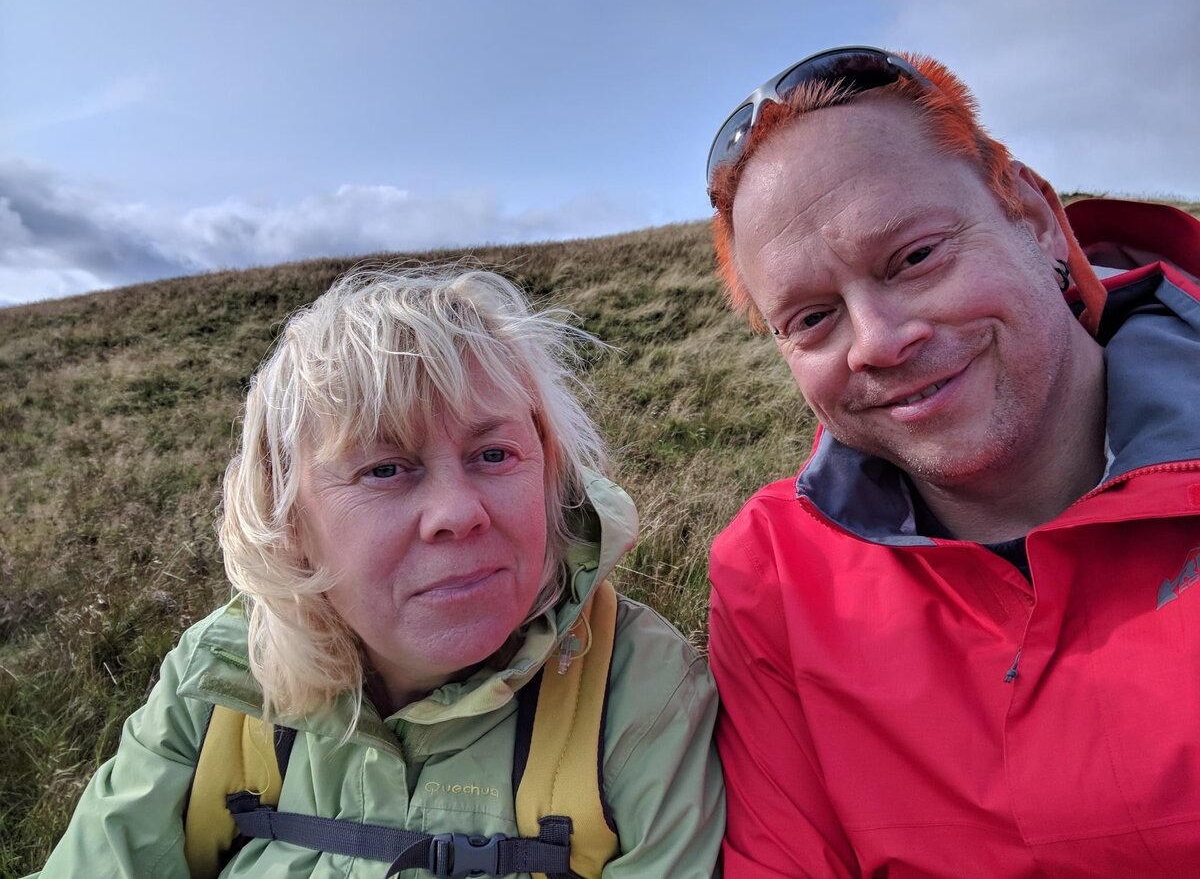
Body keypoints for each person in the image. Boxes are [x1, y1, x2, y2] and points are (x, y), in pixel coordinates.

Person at [31, 266, 724, 878]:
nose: (457, 512)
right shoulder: (216, 682)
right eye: (385, 468)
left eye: (494, 454)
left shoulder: (641, 688)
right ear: (288, 518)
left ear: (548, 472)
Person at [704, 45, 1200, 877]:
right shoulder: (773, 577)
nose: (881, 341)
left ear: (1035, 219)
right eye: (814, 317)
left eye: (916, 257)